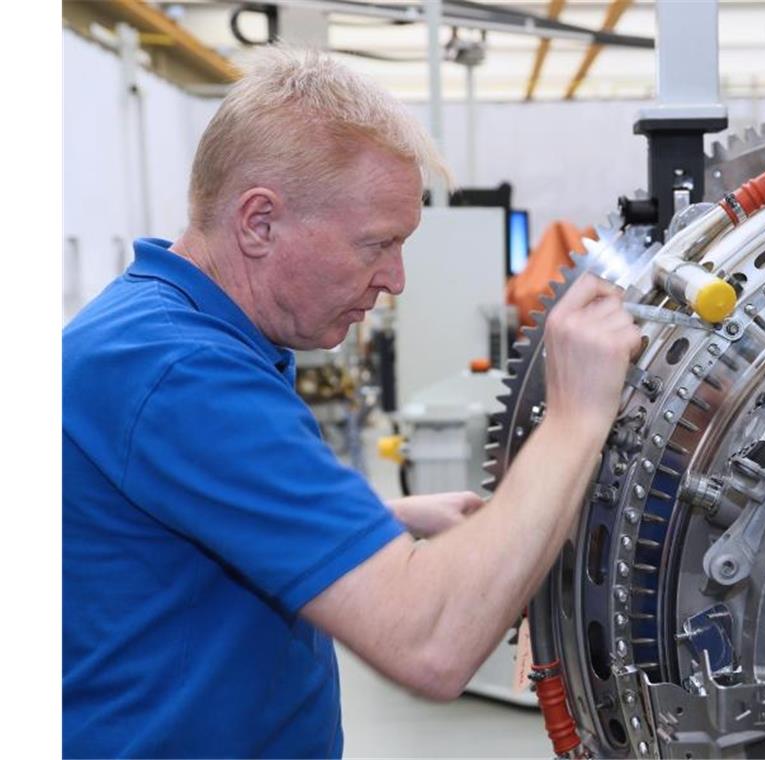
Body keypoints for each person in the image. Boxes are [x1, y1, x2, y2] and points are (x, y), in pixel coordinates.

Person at [62, 46, 640, 757]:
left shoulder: (179, 331)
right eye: (378, 244)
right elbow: (430, 643)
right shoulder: (179, 371)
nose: (394, 279)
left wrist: (387, 520)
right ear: (259, 223)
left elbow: (173, 534)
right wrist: (577, 417)